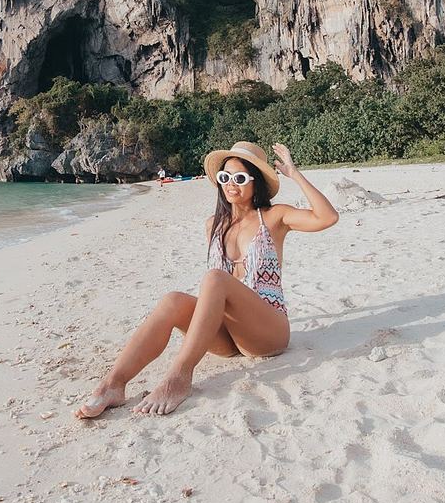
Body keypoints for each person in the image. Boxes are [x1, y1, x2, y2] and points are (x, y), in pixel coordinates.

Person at [75, 141, 338, 417]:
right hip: (227, 338)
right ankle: (113, 385)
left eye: (239, 178)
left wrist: (294, 174)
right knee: (172, 300)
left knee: (215, 279)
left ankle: (179, 377)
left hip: (267, 332)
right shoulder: (212, 225)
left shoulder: (274, 217)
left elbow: (327, 217)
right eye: (225, 177)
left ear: (255, 182)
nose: (230, 184)